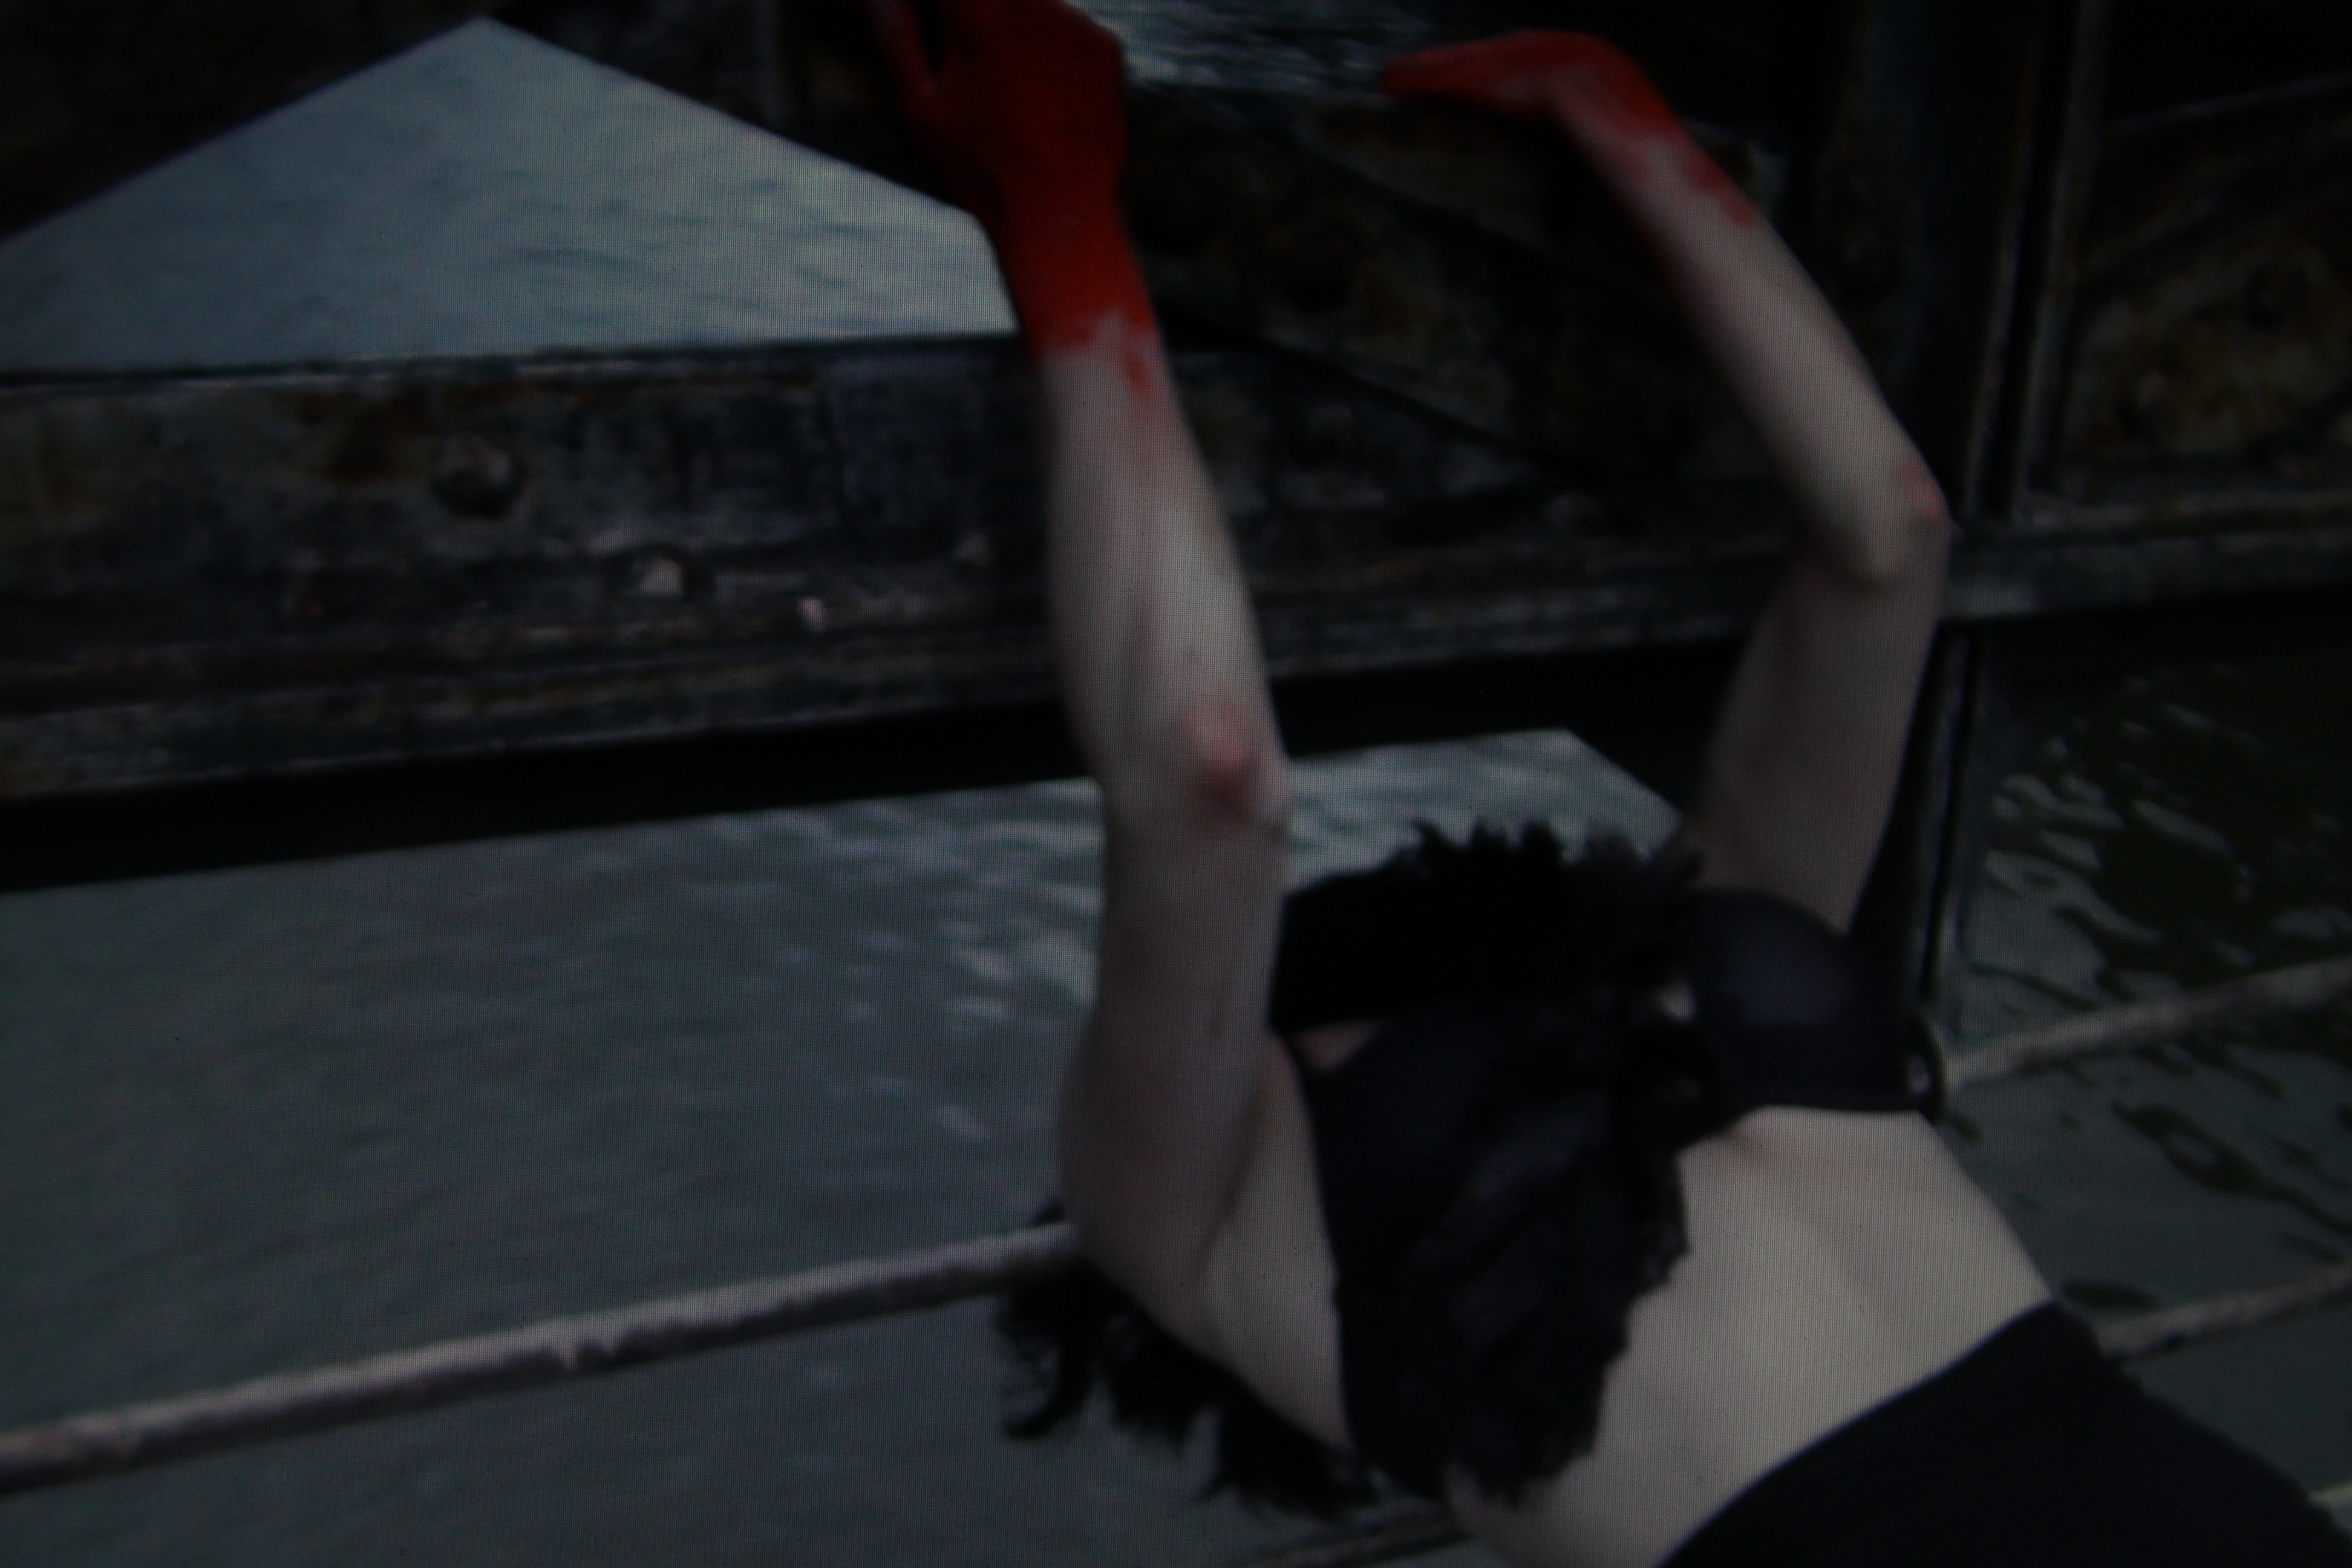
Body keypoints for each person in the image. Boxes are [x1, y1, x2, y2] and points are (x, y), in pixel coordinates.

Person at [864, 4, 2352, 1564]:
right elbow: (1890, 535)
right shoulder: (1710, 934)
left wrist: (1053, 200)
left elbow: (1218, 775)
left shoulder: (1185, 1223)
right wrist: (1623, 121)